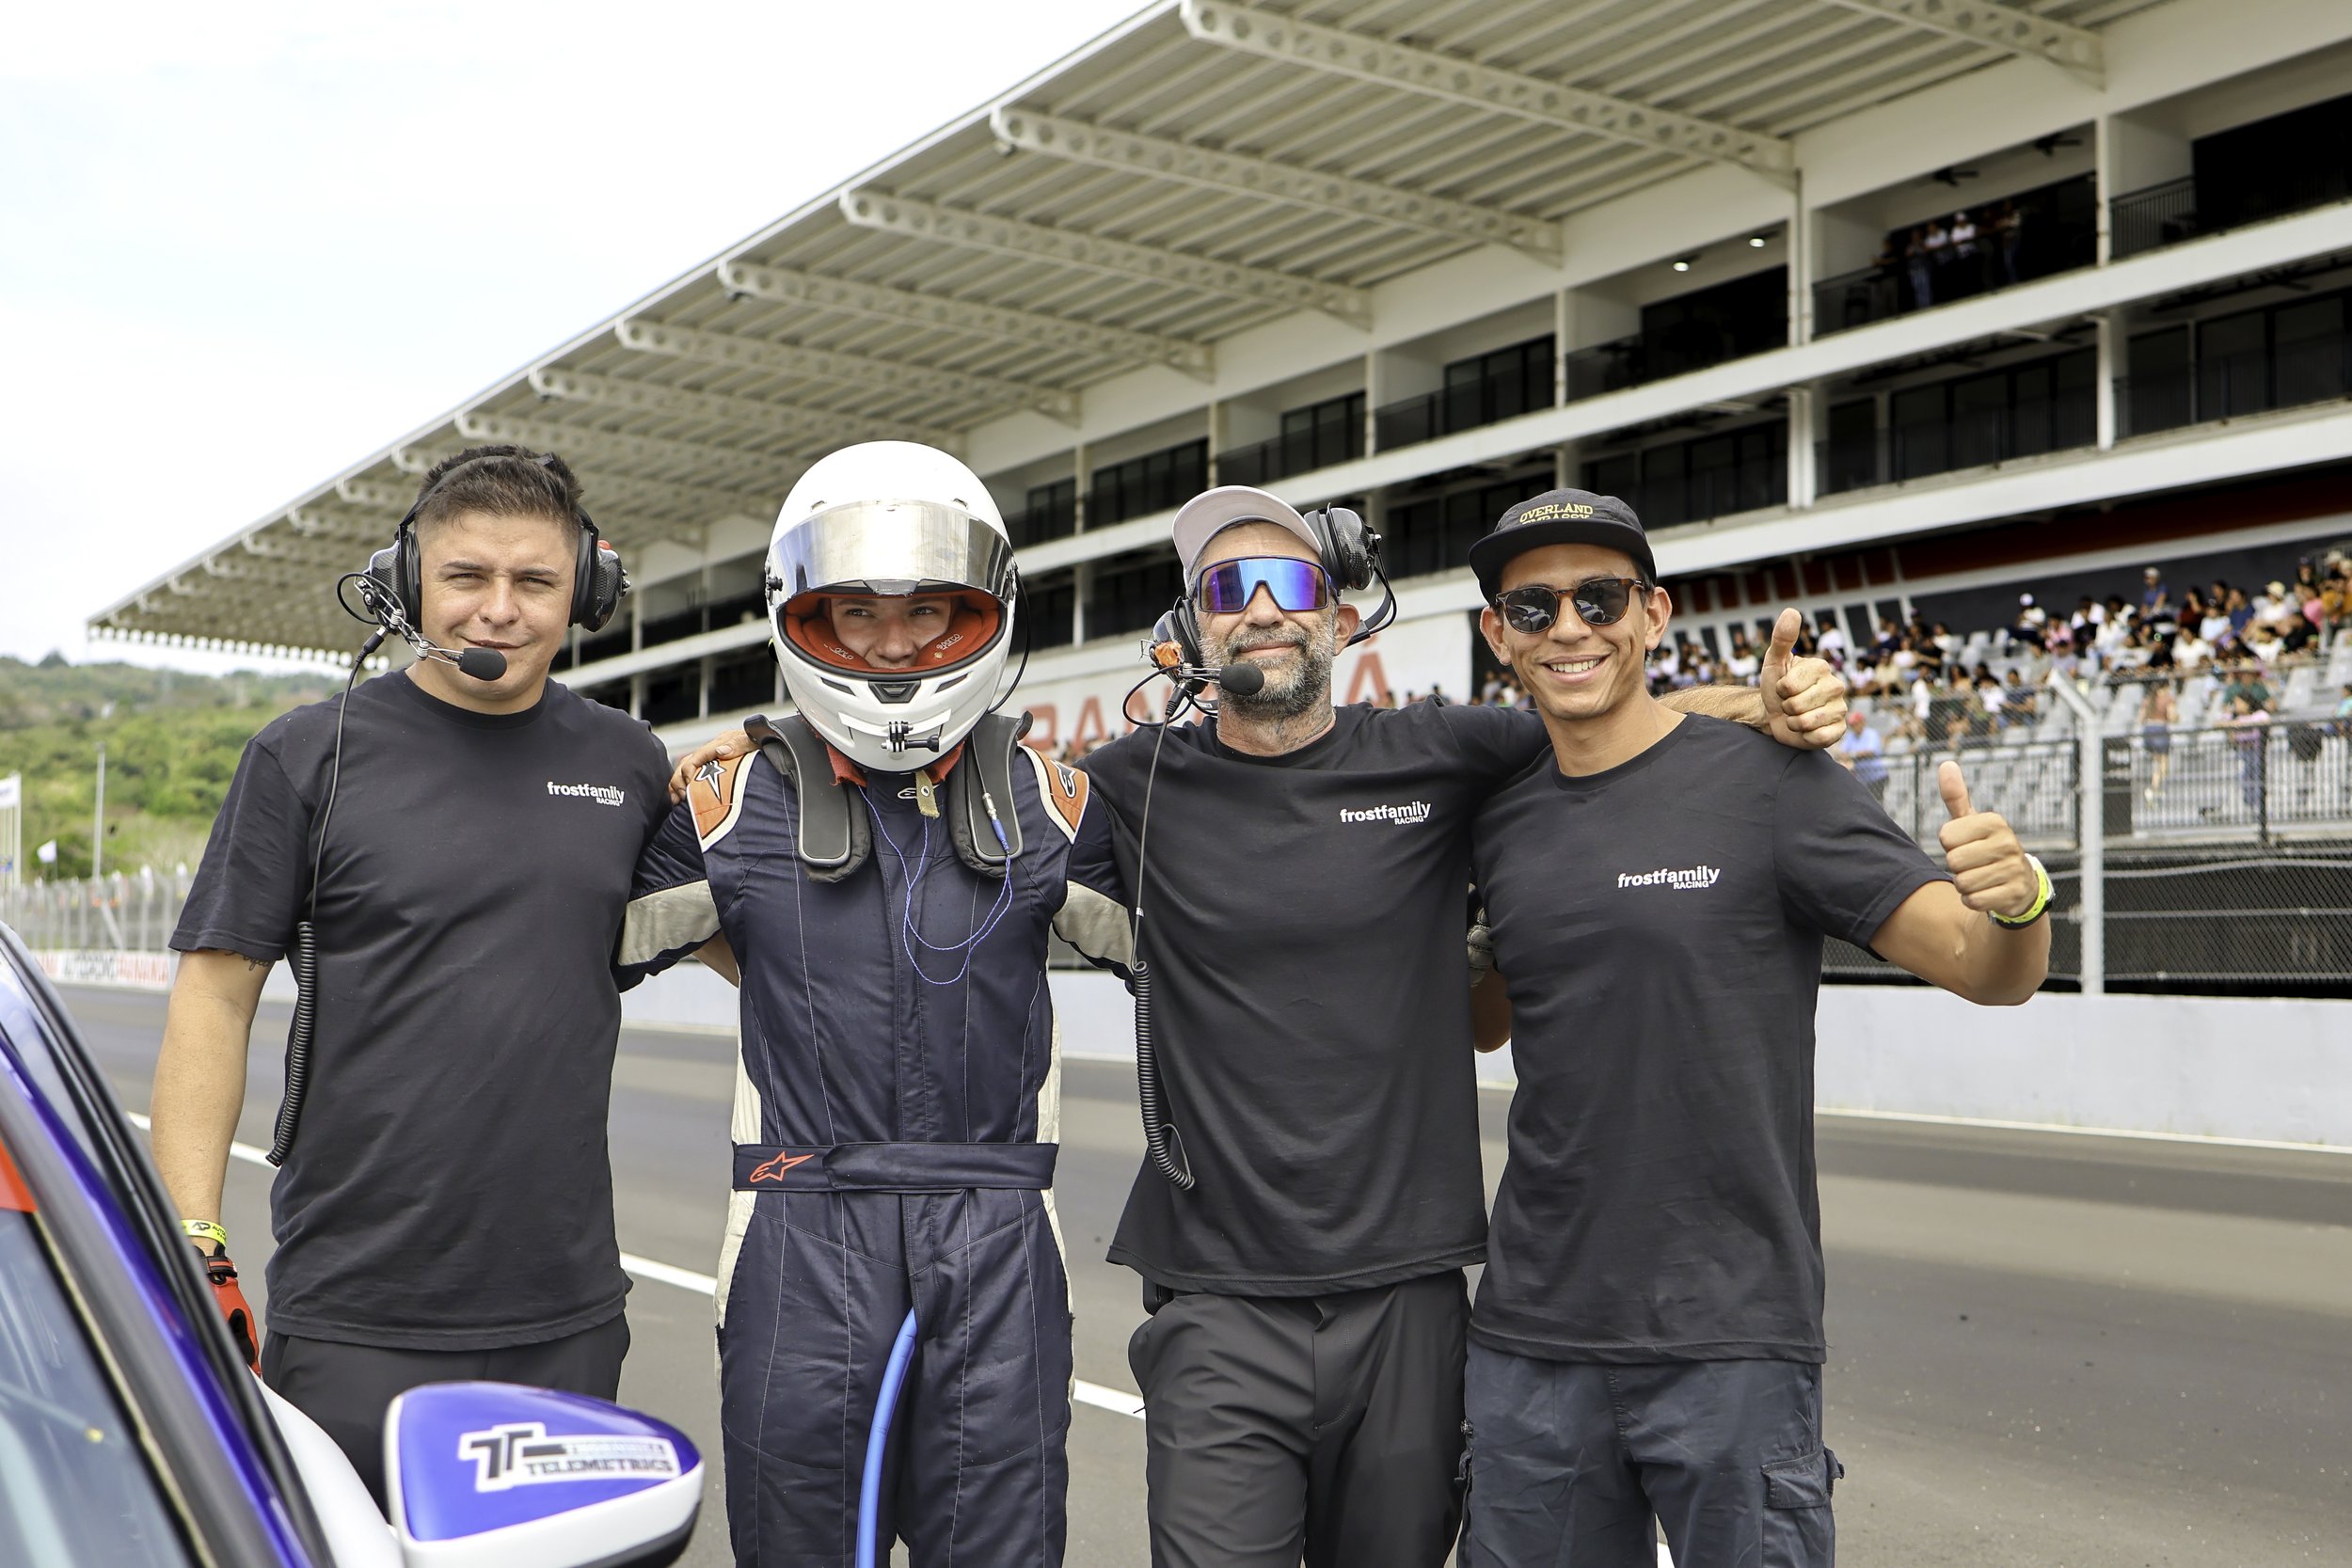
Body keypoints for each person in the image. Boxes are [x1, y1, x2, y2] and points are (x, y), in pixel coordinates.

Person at [996, 486, 1849, 1568]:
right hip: (1215, 1296)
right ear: (1187, 633)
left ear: (1341, 618)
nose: (1259, 608)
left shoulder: (1446, 751)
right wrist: (761, 761)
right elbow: (950, 839)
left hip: (1411, 1296)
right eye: (1225, 588)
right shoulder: (1123, 785)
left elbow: (1602, 714)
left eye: (1291, 582)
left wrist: (1763, 703)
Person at [1456, 495, 2052, 1568]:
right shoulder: (1495, 812)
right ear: (1499, 634)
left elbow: (1983, 968)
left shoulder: (1770, 782)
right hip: (1532, 1336)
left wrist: (2018, 901)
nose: (1569, 627)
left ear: (1652, 613)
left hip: (1730, 1333)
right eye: (1533, 606)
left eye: (1598, 597)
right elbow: (1486, 1024)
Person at [151, 446, 668, 1505]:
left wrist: (763, 799)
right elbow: (215, 993)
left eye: (535, 582)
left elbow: (748, 945)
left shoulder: (630, 762)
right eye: (466, 576)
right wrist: (192, 1233)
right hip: (355, 1306)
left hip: (565, 1308)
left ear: (587, 594)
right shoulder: (308, 753)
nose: (499, 610)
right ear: (407, 580)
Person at [618, 443, 1093, 1567]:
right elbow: (542, 962)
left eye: (929, 612)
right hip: (799, 1230)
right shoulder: (725, 801)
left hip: (1001, 1233)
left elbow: (1229, 965)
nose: (892, 645)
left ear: (984, 609)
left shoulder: (1060, 800)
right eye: (856, 612)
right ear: (799, 611)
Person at [1836, 709, 1889, 803]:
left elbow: (1869, 752)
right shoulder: (1850, 736)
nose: (1854, 727)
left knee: (1877, 803)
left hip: (1876, 776)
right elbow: (1842, 753)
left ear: (1862, 722)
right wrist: (1852, 755)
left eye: (1856, 724)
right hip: (1862, 778)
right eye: (1852, 725)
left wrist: (1852, 755)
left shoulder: (1871, 733)